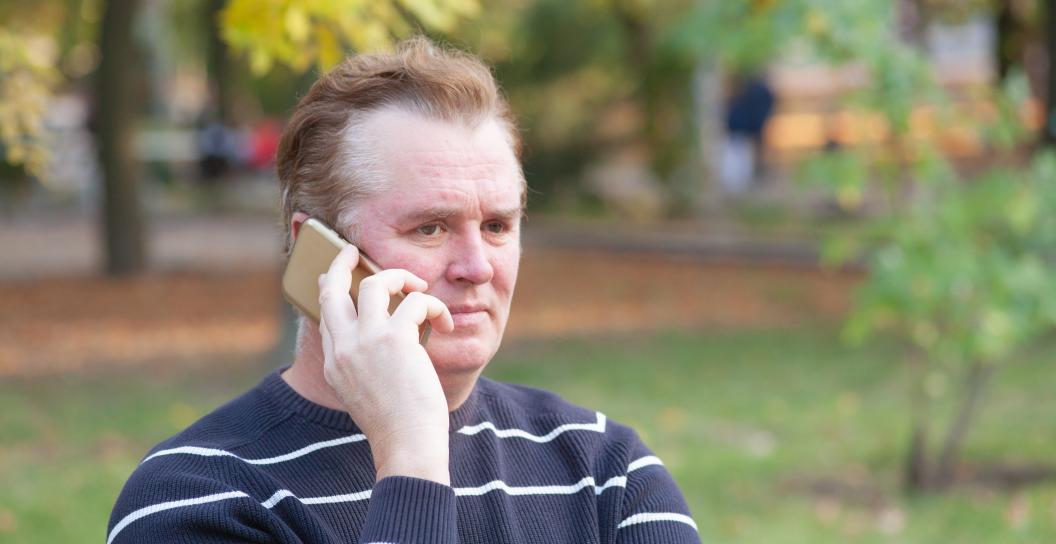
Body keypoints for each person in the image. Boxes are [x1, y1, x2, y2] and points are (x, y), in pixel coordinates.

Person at [107, 37, 700, 544]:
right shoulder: (195, 496)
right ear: (318, 250)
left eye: (497, 226)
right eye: (429, 228)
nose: (477, 267)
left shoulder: (606, 470)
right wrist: (412, 457)